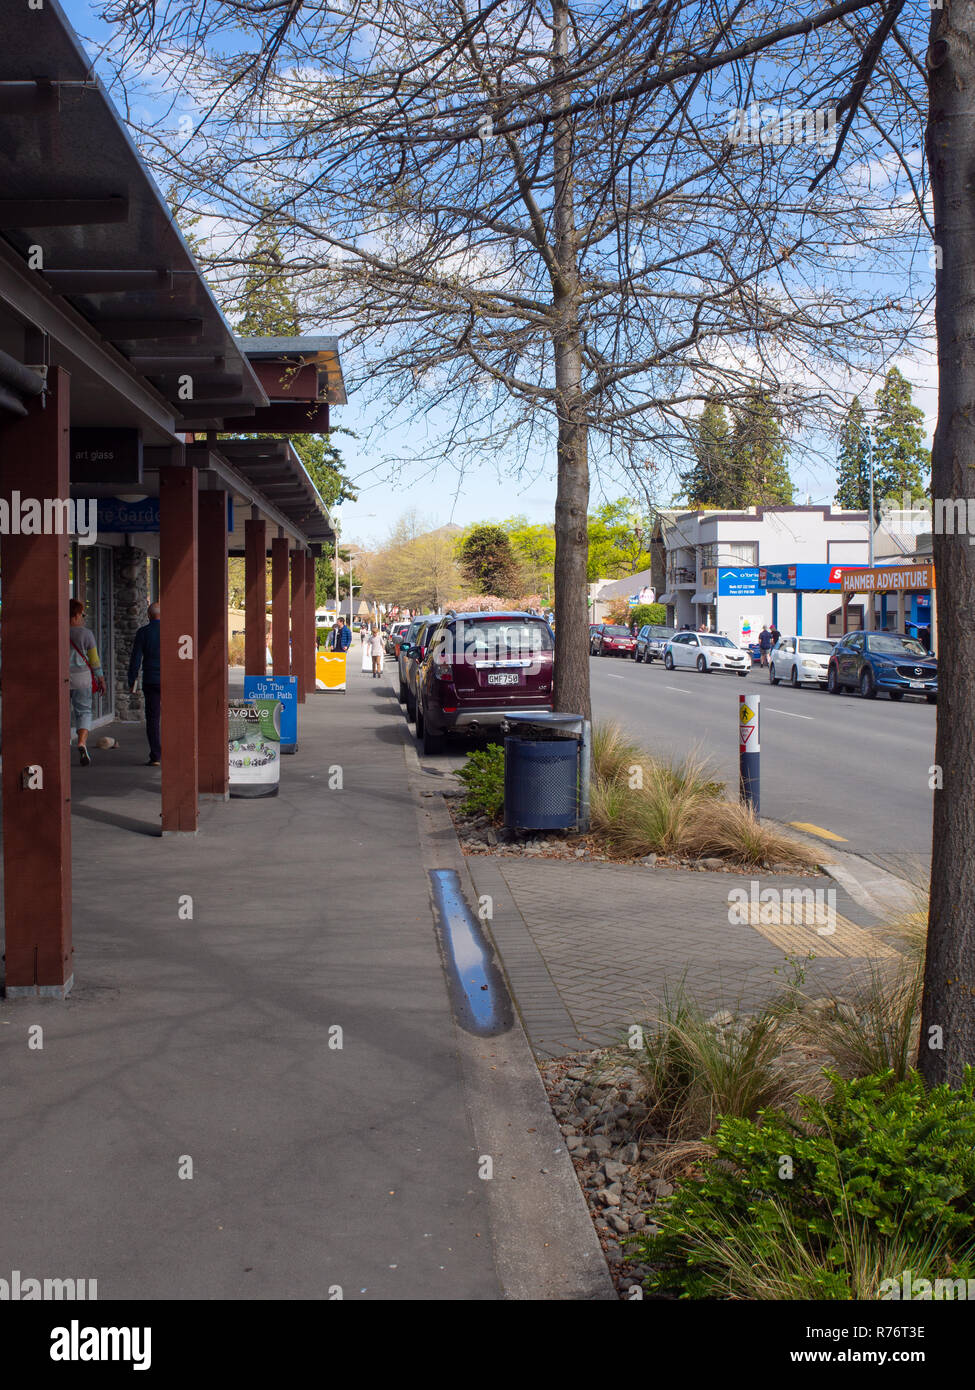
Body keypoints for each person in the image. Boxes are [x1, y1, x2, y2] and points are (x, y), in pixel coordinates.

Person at [69, 598, 107, 766]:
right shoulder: (86, 634)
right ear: (76, 615)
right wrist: (101, 678)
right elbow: (94, 660)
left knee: (60, 713)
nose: (83, 617)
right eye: (82, 614)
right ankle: (82, 742)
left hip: (61, 679)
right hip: (82, 678)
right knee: (83, 711)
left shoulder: (56, 631)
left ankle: (62, 744)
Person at [128, 601, 162, 766]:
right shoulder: (170, 631)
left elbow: (136, 659)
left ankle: (156, 755)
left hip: (150, 680)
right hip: (170, 680)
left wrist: (132, 679)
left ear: (148, 615)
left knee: (153, 718)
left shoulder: (143, 632)